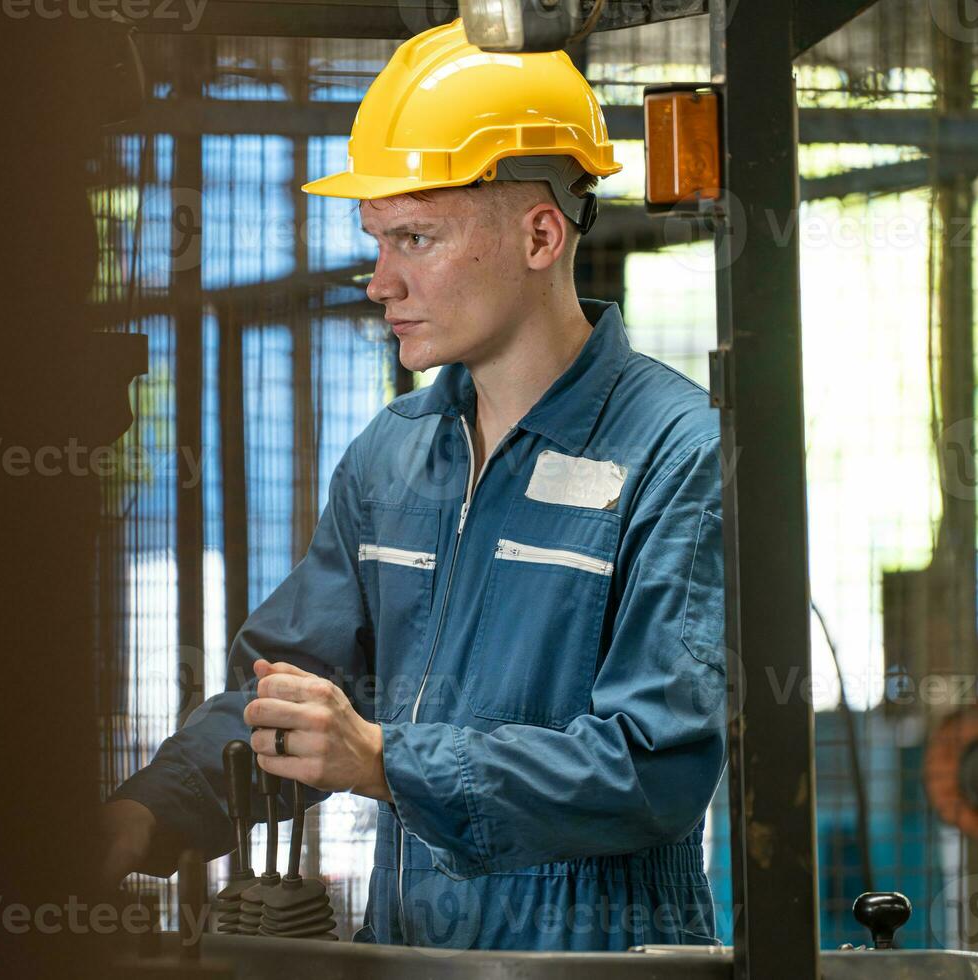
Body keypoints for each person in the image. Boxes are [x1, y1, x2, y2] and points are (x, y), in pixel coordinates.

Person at [101, 18, 728, 951]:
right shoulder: (393, 456)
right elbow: (295, 692)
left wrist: (386, 759)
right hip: (406, 956)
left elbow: (653, 766)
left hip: (594, 966)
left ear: (541, 234)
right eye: (377, 239)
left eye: (416, 238)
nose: (379, 281)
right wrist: (142, 817)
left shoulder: (675, 452)